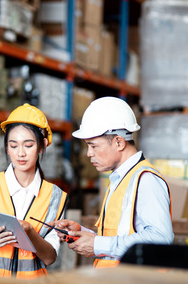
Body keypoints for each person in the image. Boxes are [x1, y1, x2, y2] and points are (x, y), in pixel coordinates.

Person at [50, 97, 173, 268]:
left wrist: (97, 245)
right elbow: (120, 237)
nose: (88, 153)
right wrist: (83, 234)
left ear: (119, 142)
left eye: (93, 146)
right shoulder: (121, 179)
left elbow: (160, 240)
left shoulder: (146, 180)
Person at [0, 103, 68, 278]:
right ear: (6, 148)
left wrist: (30, 232)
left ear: (42, 146)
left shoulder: (55, 197)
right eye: (13, 146)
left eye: (28, 145)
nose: (20, 153)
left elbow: (50, 258)